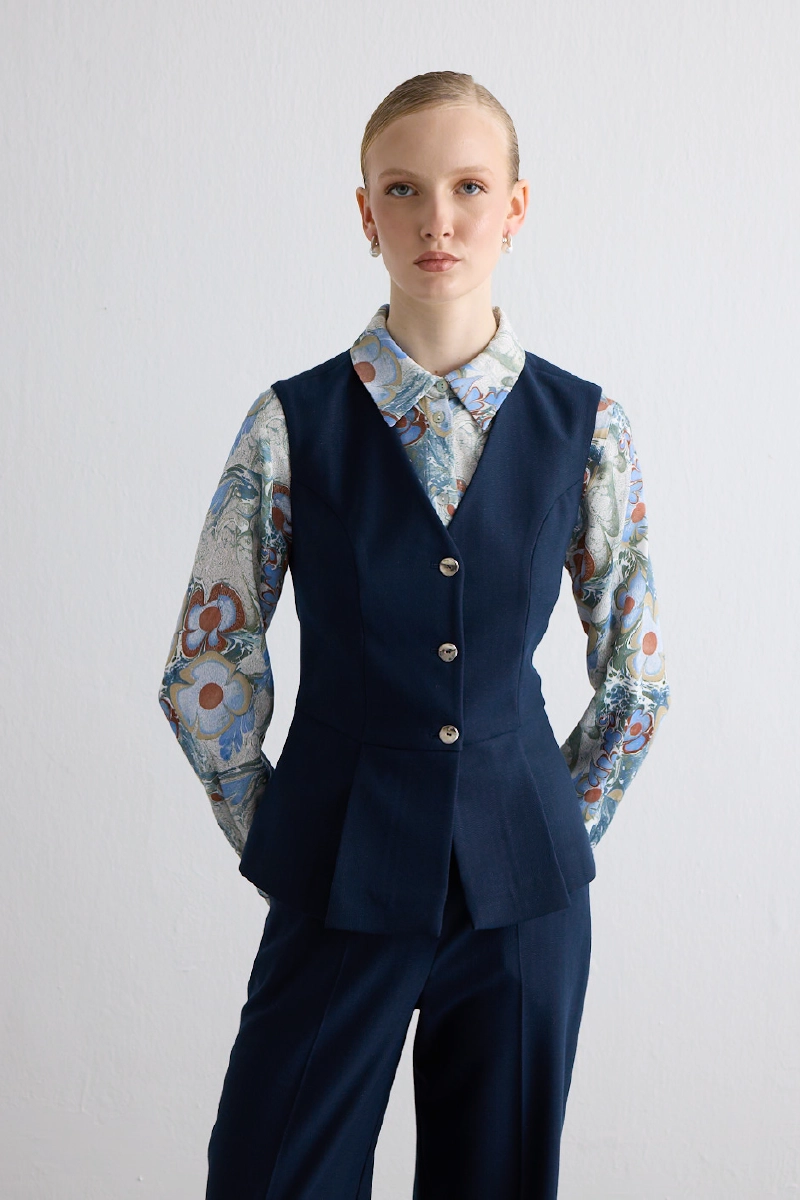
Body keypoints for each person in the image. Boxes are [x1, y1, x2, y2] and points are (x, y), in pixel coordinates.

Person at [158, 69, 670, 1200]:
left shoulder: (586, 428)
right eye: (403, 188)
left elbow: (635, 678)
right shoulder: (291, 423)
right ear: (365, 212)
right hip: (339, 867)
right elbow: (205, 668)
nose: (437, 218)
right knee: (272, 1172)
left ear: (514, 207)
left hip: (525, 894)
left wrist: (553, 829)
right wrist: (282, 835)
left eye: (468, 187)